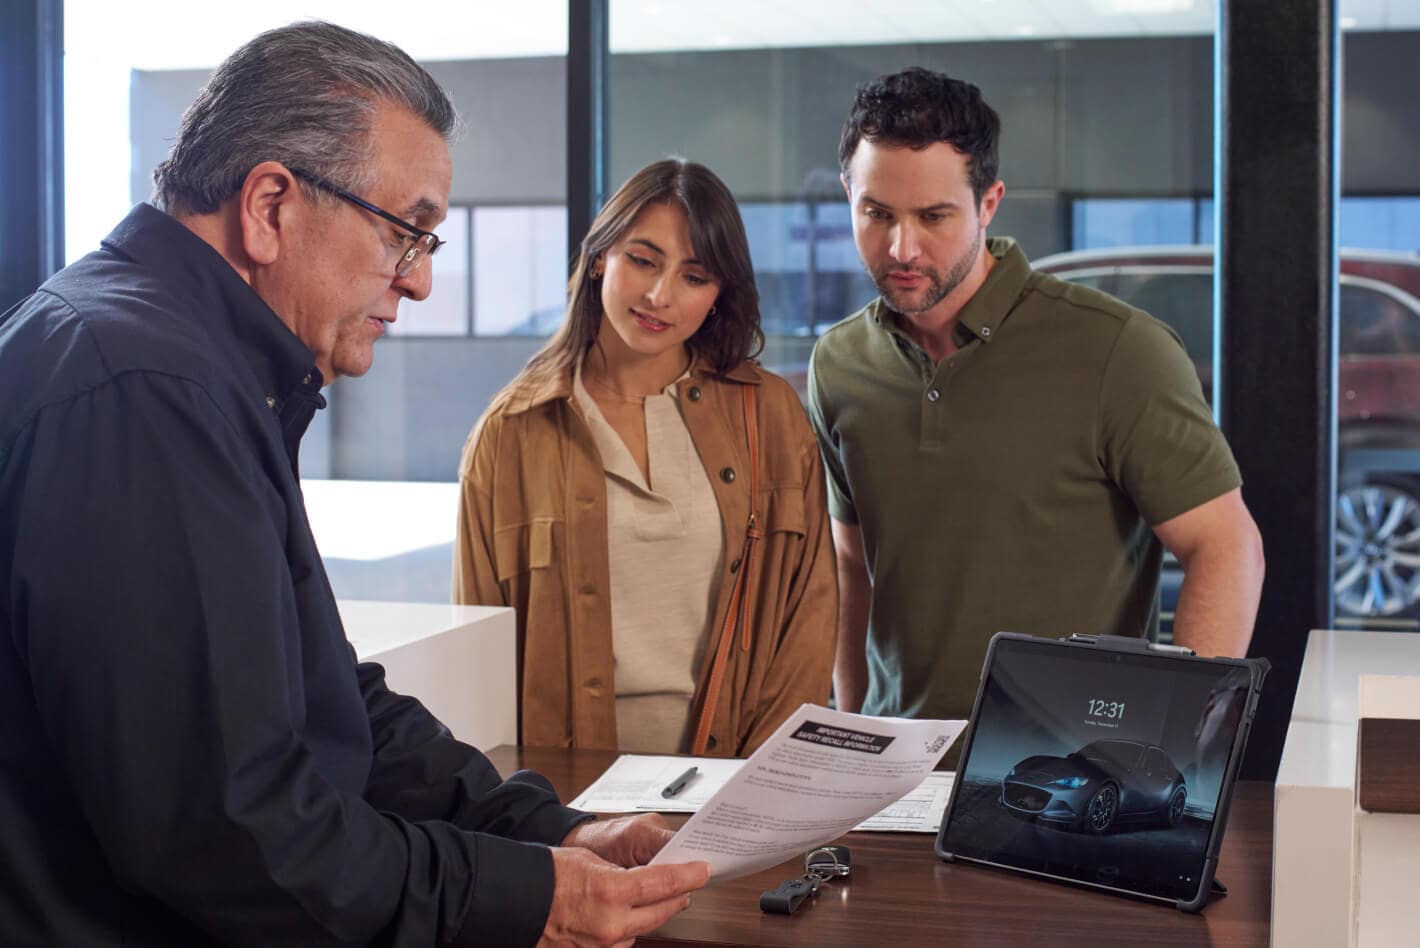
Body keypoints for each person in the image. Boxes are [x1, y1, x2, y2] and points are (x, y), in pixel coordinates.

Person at [0, 22, 706, 947]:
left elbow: (327, 696)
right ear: (269, 207)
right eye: (403, 233)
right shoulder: (149, 391)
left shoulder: (181, 361)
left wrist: (547, 831)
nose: (415, 283)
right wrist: (530, 896)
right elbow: (231, 829)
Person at [809, 67, 1265, 734]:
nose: (901, 247)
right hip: (896, 769)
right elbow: (852, 565)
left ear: (988, 203)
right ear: (849, 194)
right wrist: (852, 730)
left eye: (933, 216)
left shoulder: (1117, 350)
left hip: (1071, 761)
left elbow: (1226, 547)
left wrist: (1171, 743)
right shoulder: (840, 363)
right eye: (876, 213)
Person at [453, 159, 836, 757]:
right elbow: (476, 656)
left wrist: (759, 787)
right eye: (643, 260)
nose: (661, 295)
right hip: (568, 799)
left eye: (694, 275)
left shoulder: (771, 416)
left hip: (730, 781)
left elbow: (808, 621)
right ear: (602, 254)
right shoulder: (512, 432)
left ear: (718, 294)